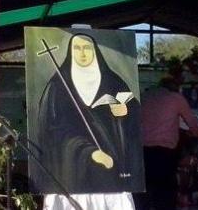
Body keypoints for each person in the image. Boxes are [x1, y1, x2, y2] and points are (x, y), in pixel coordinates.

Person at [35, 33, 143, 195]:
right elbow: (51, 129)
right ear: (71, 52)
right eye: (77, 48)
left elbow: (134, 115)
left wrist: (125, 111)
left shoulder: (113, 80)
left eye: (87, 48)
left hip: (113, 166)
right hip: (74, 166)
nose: (83, 53)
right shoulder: (58, 85)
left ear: (95, 51)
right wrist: (89, 152)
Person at [133, 76, 198, 210]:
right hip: (165, 155)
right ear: (175, 88)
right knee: (165, 197)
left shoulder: (144, 97)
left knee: (143, 197)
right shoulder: (176, 98)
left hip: (142, 154)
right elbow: (194, 125)